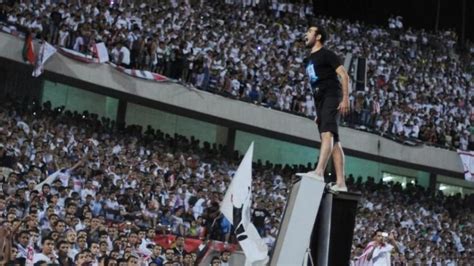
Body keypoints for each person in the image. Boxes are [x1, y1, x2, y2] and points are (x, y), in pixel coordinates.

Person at [297, 24, 350, 192]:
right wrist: (318, 111)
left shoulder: (327, 54)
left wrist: (345, 98)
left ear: (318, 37)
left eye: (309, 31)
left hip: (332, 95)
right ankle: (341, 183)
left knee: (327, 134)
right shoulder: (309, 60)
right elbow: (315, 85)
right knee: (334, 140)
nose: (306, 34)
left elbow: (344, 75)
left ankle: (319, 171)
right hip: (321, 100)